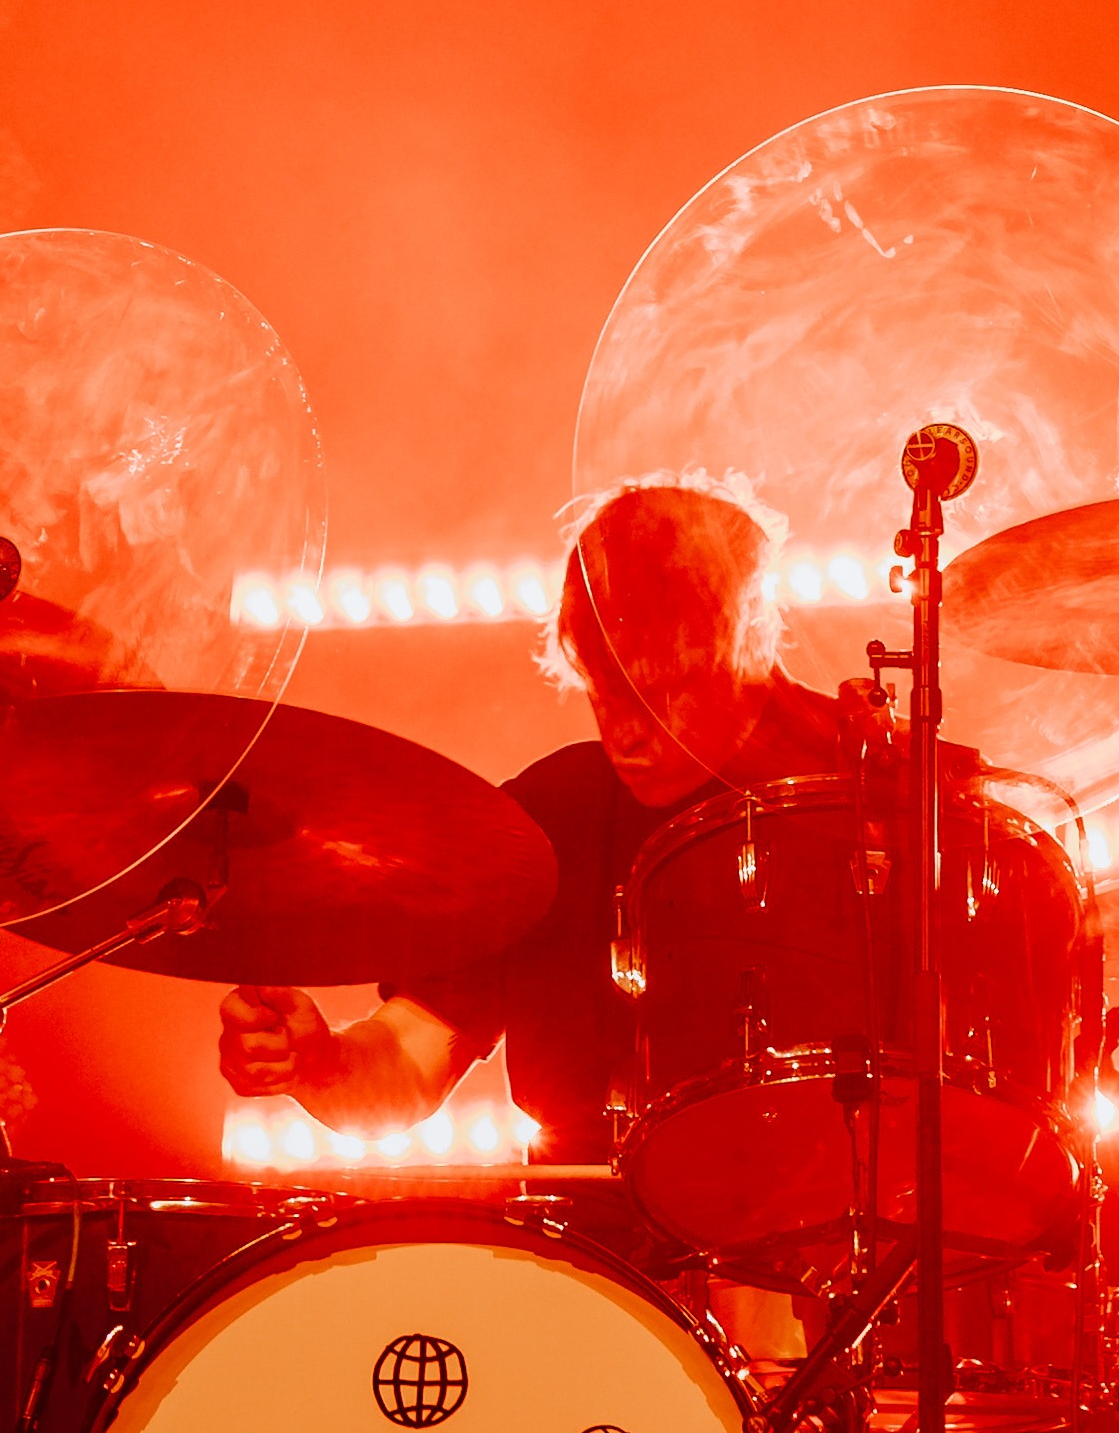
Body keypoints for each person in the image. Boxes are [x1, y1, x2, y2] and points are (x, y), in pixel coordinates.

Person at [218, 481, 850, 1165]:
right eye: (603, 692)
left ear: (744, 645)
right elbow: (409, 1062)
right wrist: (319, 1064)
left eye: (658, 691)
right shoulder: (550, 816)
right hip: (594, 1227)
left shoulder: (879, 794)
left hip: (843, 1222)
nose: (624, 733)